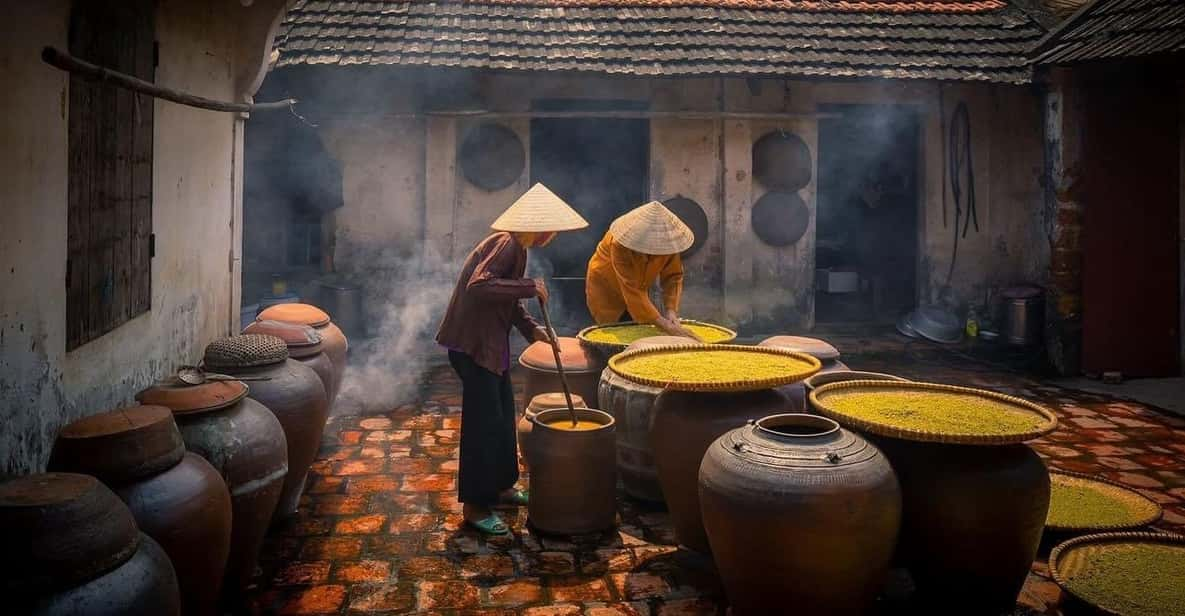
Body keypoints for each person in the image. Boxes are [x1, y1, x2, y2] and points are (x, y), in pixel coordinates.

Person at [435, 183, 588, 535]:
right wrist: (529, 287)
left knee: (503, 417)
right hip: (473, 347)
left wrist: (532, 329)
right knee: (483, 427)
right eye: (552, 230)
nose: (553, 236)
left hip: (493, 347)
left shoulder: (519, 248)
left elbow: (507, 298)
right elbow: (480, 286)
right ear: (539, 227)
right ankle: (475, 506)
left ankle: (503, 487)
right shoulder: (505, 243)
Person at [585, 201, 699, 339]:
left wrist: (671, 312)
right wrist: (666, 326)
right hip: (607, 287)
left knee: (641, 328)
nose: (655, 251)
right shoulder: (620, 244)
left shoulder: (668, 242)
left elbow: (673, 277)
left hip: (637, 286)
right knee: (614, 334)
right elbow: (631, 287)